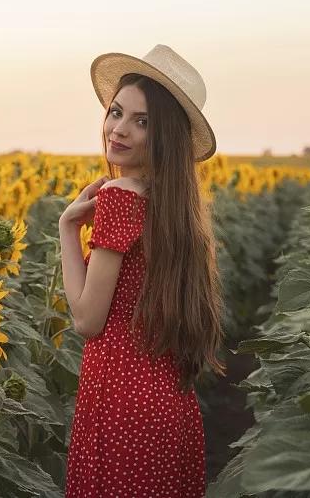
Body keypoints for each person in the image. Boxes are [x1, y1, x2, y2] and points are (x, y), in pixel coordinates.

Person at [58, 44, 227, 497]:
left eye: (142, 121)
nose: (119, 129)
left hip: (118, 405)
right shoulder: (174, 206)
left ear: (165, 136)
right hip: (170, 405)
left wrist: (67, 228)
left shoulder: (118, 196)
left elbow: (87, 319)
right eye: (116, 113)